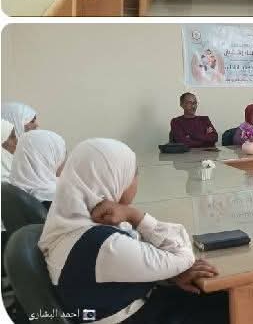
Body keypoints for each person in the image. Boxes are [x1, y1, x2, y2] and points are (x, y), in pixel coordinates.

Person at [38, 138, 229, 323]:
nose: (136, 180)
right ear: (114, 179)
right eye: (133, 173)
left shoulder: (71, 224)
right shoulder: (105, 244)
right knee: (229, 303)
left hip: (120, 304)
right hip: (134, 315)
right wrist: (134, 215)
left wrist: (168, 273)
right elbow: (184, 255)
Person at [9, 129, 66, 210]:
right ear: (47, 158)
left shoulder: (9, 190)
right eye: (61, 155)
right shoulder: (60, 199)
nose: (64, 161)